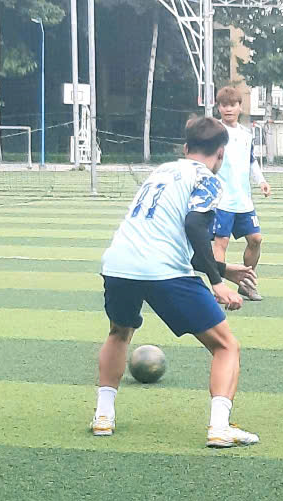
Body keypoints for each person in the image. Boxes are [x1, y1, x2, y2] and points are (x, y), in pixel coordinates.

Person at [92, 115, 260, 449]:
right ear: (221, 153)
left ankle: (103, 417)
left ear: (185, 148)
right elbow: (194, 227)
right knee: (226, 346)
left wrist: (223, 268)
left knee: (119, 332)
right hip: (163, 269)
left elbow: (174, 237)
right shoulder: (208, 179)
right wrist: (217, 282)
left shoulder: (161, 172)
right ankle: (219, 427)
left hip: (118, 264)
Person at [212, 86, 270, 301]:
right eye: (224, 105)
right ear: (218, 107)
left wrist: (261, 181)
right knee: (221, 243)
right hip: (221, 200)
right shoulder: (213, 131)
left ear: (240, 107)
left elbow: (251, 161)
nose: (228, 109)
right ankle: (218, 288)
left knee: (256, 239)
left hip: (243, 199)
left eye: (232, 105)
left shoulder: (246, 134)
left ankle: (246, 283)